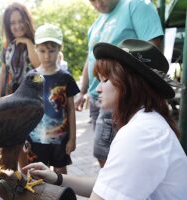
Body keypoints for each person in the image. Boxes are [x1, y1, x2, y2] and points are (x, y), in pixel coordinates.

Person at [23, 39, 187, 200]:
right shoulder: (147, 123)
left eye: (105, 79)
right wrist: (56, 178)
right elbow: (106, 185)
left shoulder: (140, 134)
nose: (98, 89)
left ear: (129, 83)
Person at [74, 0, 164, 167]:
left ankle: (110, 190)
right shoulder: (95, 25)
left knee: (107, 154)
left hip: (120, 96)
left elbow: (152, 47)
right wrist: (82, 91)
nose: (97, 3)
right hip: (97, 98)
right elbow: (90, 59)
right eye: (91, 0)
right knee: (107, 155)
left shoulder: (136, 5)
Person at [22, 24, 80, 175]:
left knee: (60, 173)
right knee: (36, 175)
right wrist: (23, 137)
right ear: (35, 49)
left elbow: (71, 110)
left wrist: (72, 139)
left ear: (60, 48)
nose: (47, 56)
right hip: (35, 140)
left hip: (60, 140)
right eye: (42, 51)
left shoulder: (66, 78)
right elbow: (25, 110)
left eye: (51, 51)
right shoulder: (30, 77)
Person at [0, 2, 40, 99]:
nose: (18, 26)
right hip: (12, 95)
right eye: (13, 23)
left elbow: (38, 65)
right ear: (8, 26)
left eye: (21, 21)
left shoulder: (37, 41)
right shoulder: (7, 45)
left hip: (33, 96)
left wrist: (28, 42)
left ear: (27, 21)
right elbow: (3, 73)